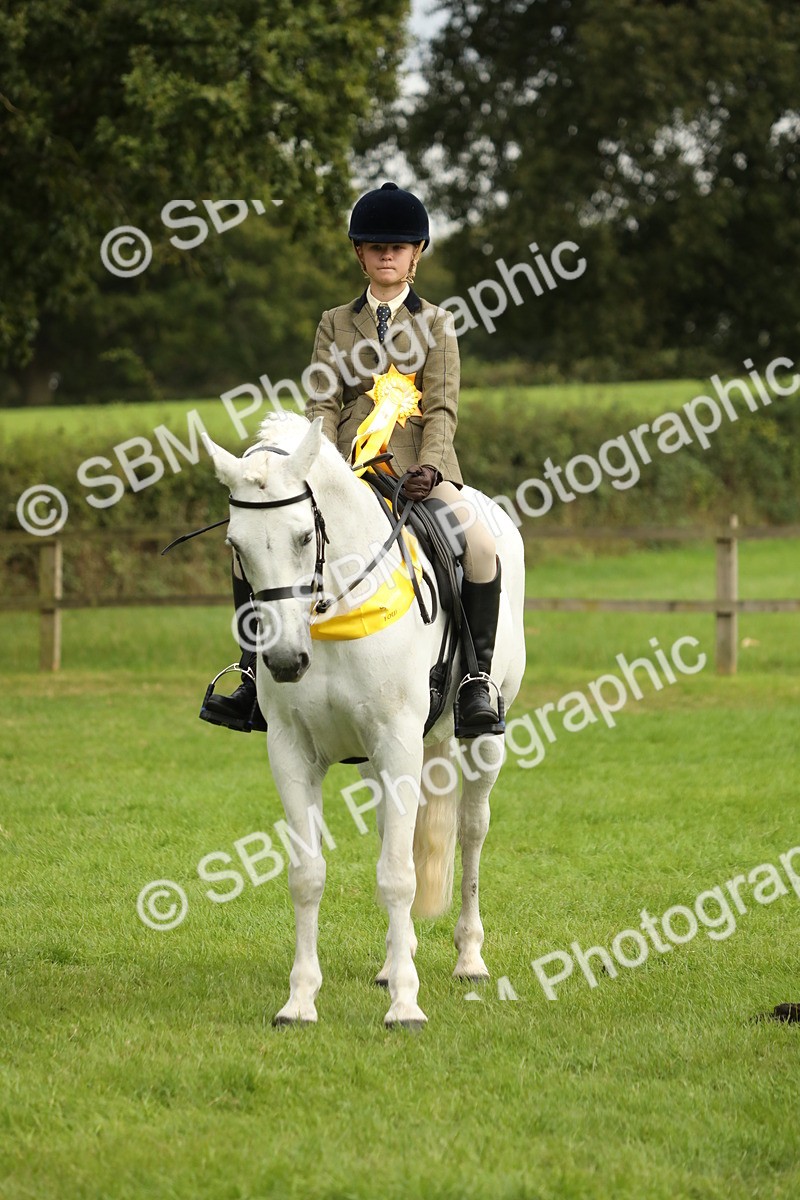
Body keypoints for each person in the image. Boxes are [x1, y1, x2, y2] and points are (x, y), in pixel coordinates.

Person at [201, 181, 504, 739]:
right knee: (252, 549)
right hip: (346, 474)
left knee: (481, 545)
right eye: (375, 246)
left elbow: (441, 407)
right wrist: (325, 471)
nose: (386, 255)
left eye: (398, 246)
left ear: (416, 254)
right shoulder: (335, 323)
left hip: (418, 472)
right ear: (360, 254)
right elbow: (322, 403)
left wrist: (432, 469)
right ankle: (248, 674)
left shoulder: (437, 323)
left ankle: (475, 682)